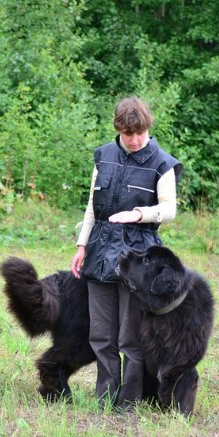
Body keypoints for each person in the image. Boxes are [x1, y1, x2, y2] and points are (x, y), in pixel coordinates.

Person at [71, 96, 183, 409]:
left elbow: (169, 210)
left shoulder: (162, 162)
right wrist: (82, 246)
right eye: (126, 134)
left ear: (147, 128)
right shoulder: (103, 156)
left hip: (139, 258)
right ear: (118, 129)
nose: (133, 140)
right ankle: (104, 398)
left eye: (139, 134)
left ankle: (128, 402)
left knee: (130, 339)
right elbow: (92, 208)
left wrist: (138, 214)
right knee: (101, 336)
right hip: (100, 251)